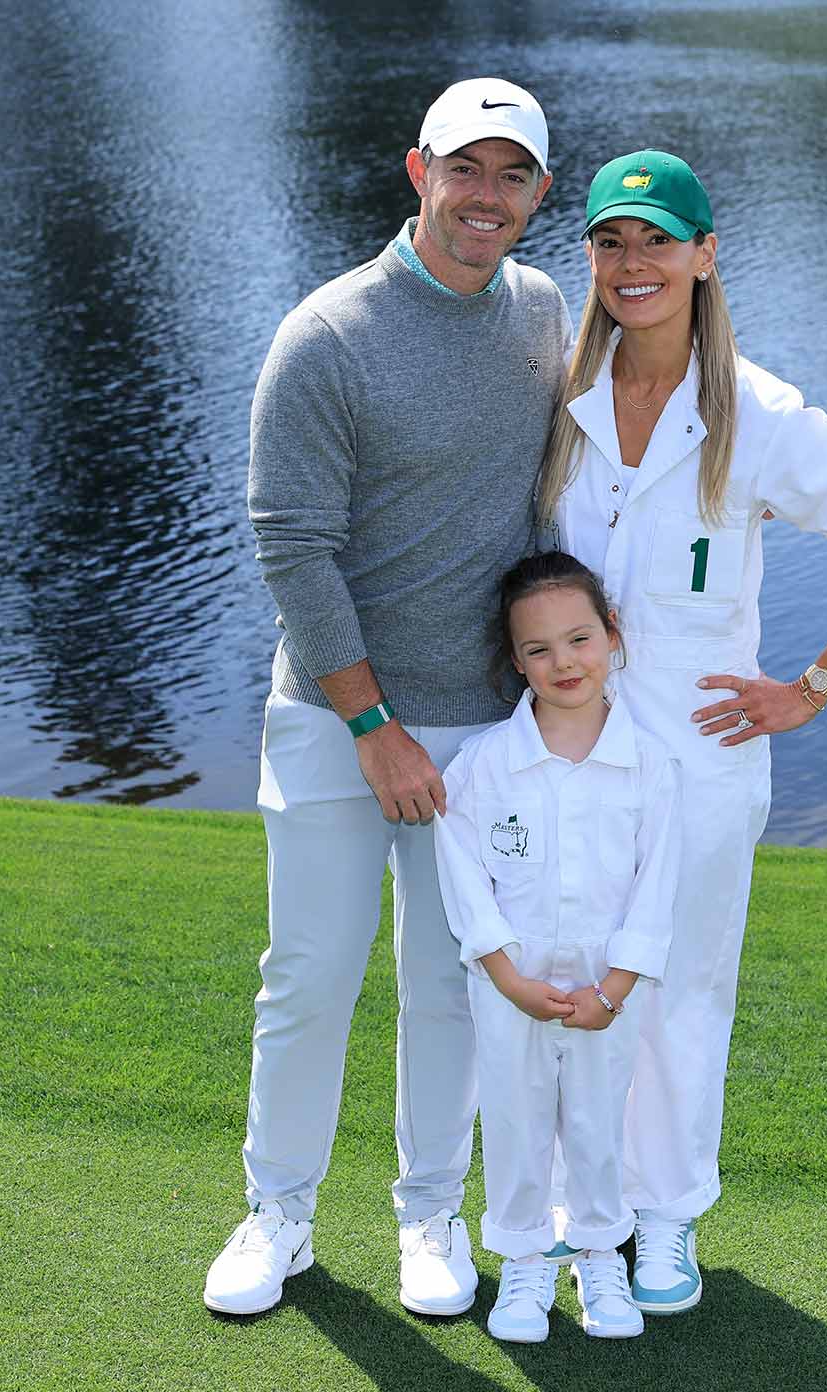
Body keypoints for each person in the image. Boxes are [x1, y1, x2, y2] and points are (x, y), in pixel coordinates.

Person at [537, 150, 827, 1314]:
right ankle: (579, 1216)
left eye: (657, 241)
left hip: (704, 769)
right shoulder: (552, 399)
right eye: (611, 242)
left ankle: (665, 1223)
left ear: (704, 256)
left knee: (679, 997)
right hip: (568, 762)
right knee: (569, 982)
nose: (633, 264)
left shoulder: (758, 417)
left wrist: (809, 688)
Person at [203, 78, 571, 1318]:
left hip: (480, 724)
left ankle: (429, 1217)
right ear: (418, 173)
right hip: (333, 715)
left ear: (536, 195)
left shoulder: (540, 313)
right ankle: (279, 1215)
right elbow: (290, 541)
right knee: (307, 973)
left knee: (452, 980)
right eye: (463, 169)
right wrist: (371, 728)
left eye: (510, 175)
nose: (486, 196)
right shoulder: (328, 334)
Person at [433, 552, 680, 1343]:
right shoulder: (484, 767)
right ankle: (524, 1259)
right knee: (513, 1117)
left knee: (601, 1123)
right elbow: (465, 879)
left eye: (579, 639)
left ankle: (601, 1253)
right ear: (515, 662)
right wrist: (506, 976)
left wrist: (615, 988)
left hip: (609, 991)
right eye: (538, 650)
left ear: (614, 637)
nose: (562, 662)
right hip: (513, 986)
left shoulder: (650, 765)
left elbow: (658, 885)